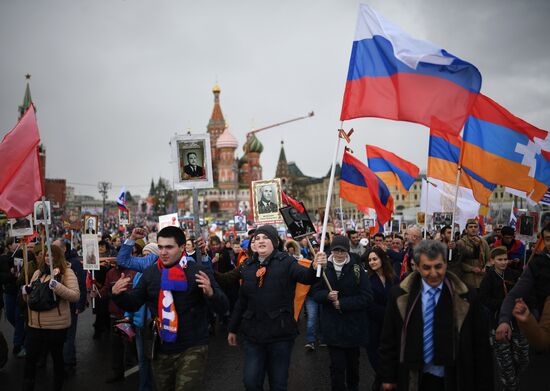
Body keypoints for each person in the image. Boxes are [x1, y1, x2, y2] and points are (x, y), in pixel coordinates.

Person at [111, 226, 228, 390]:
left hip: (192, 346)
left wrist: (210, 294)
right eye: (160, 247)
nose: (163, 252)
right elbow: (133, 302)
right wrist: (118, 295)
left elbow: (223, 307)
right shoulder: (150, 274)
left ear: (181, 248)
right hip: (161, 348)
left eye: (169, 247)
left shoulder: (197, 272)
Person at [378, 240, 493, 391]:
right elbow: (389, 339)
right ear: (417, 266)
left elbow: (481, 345)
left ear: (446, 264)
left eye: (438, 266)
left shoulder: (467, 296)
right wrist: (388, 377)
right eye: (426, 267)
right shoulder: (399, 295)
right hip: (413, 376)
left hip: (454, 377)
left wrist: (483, 384)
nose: (433, 273)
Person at [227, 225, 326, 391]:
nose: (260, 241)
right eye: (257, 238)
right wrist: (232, 328)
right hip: (254, 335)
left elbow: (306, 277)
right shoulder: (248, 266)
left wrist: (316, 267)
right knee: (250, 381)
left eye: (265, 237)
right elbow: (242, 301)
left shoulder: (286, 261)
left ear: (274, 241)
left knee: (278, 384)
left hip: (280, 334)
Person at [311, 235, 372, 391]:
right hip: (333, 327)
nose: (339, 254)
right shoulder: (323, 267)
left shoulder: (357, 268)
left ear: (348, 251)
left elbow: (367, 297)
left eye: (342, 251)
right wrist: (327, 296)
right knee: (336, 367)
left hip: (353, 327)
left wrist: (343, 303)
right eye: (336, 250)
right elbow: (315, 294)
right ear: (331, 250)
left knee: (353, 366)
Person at [21, 245, 80, 391]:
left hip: (56, 326)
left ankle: (57, 386)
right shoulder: (37, 273)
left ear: (58, 256)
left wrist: (58, 286)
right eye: (46, 255)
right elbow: (30, 300)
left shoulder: (67, 272)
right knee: (30, 360)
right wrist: (25, 292)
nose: (48, 258)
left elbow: (75, 296)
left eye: (52, 255)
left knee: (56, 358)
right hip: (35, 325)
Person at [479, 246, 528, 391]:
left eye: (505, 259)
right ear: (492, 261)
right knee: (506, 362)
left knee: (523, 358)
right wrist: (505, 303)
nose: (503, 262)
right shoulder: (488, 278)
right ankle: (509, 385)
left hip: (517, 322)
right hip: (498, 322)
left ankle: (512, 378)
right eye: (500, 260)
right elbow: (484, 299)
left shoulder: (513, 274)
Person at [496, 223, 550, 343]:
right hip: (543, 326)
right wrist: (504, 321)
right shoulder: (537, 265)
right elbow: (514, 295)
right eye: (547, 239)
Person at [364, 247, 399, 391]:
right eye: (369, 260)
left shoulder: (394, 278)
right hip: (374, 326)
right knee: (376, 360)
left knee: (389, 359)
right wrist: (389, 314)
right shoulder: (366, 280)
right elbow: (369, 305)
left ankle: (380, 383)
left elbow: (399, 299)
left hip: (392, 328)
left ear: (382, 259)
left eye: (375, 259)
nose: (372, 262)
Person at [52, 239, 87, 376]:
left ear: (64, 249)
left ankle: (67, 364)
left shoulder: (75, 263)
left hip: (72, 304)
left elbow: (81, 284)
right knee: (62, 336)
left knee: (69, 336)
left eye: (55, 248)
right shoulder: (54, 263)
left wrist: (80, 304)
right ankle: (69, 360)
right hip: (58, 305)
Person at [457, 219, 490, 288]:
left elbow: (489, 259)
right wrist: (471, 268)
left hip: (482, 277)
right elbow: (458, 262)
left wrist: (486, 267)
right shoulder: (461, 243)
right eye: (470, 227)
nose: (473, 229)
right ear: (466, 229)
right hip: (467, 278)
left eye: (475, 227)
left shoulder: (483, 242)